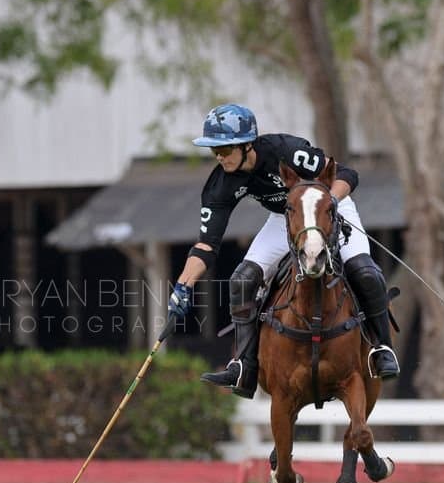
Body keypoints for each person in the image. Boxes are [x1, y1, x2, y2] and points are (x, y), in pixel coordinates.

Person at [164, 103, 399, 399]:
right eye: (215, 152)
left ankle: (381, 348)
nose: (219, 158)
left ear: (247, 144)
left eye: (224, 150)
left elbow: (347, 174)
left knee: (363, 270)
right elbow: (206, 246)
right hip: (285, 217)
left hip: (327, 207)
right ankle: (245, 366)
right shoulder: (219, 185)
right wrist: (183, 287)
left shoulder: (285, 151)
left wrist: (330, 203)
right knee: (242, 279)